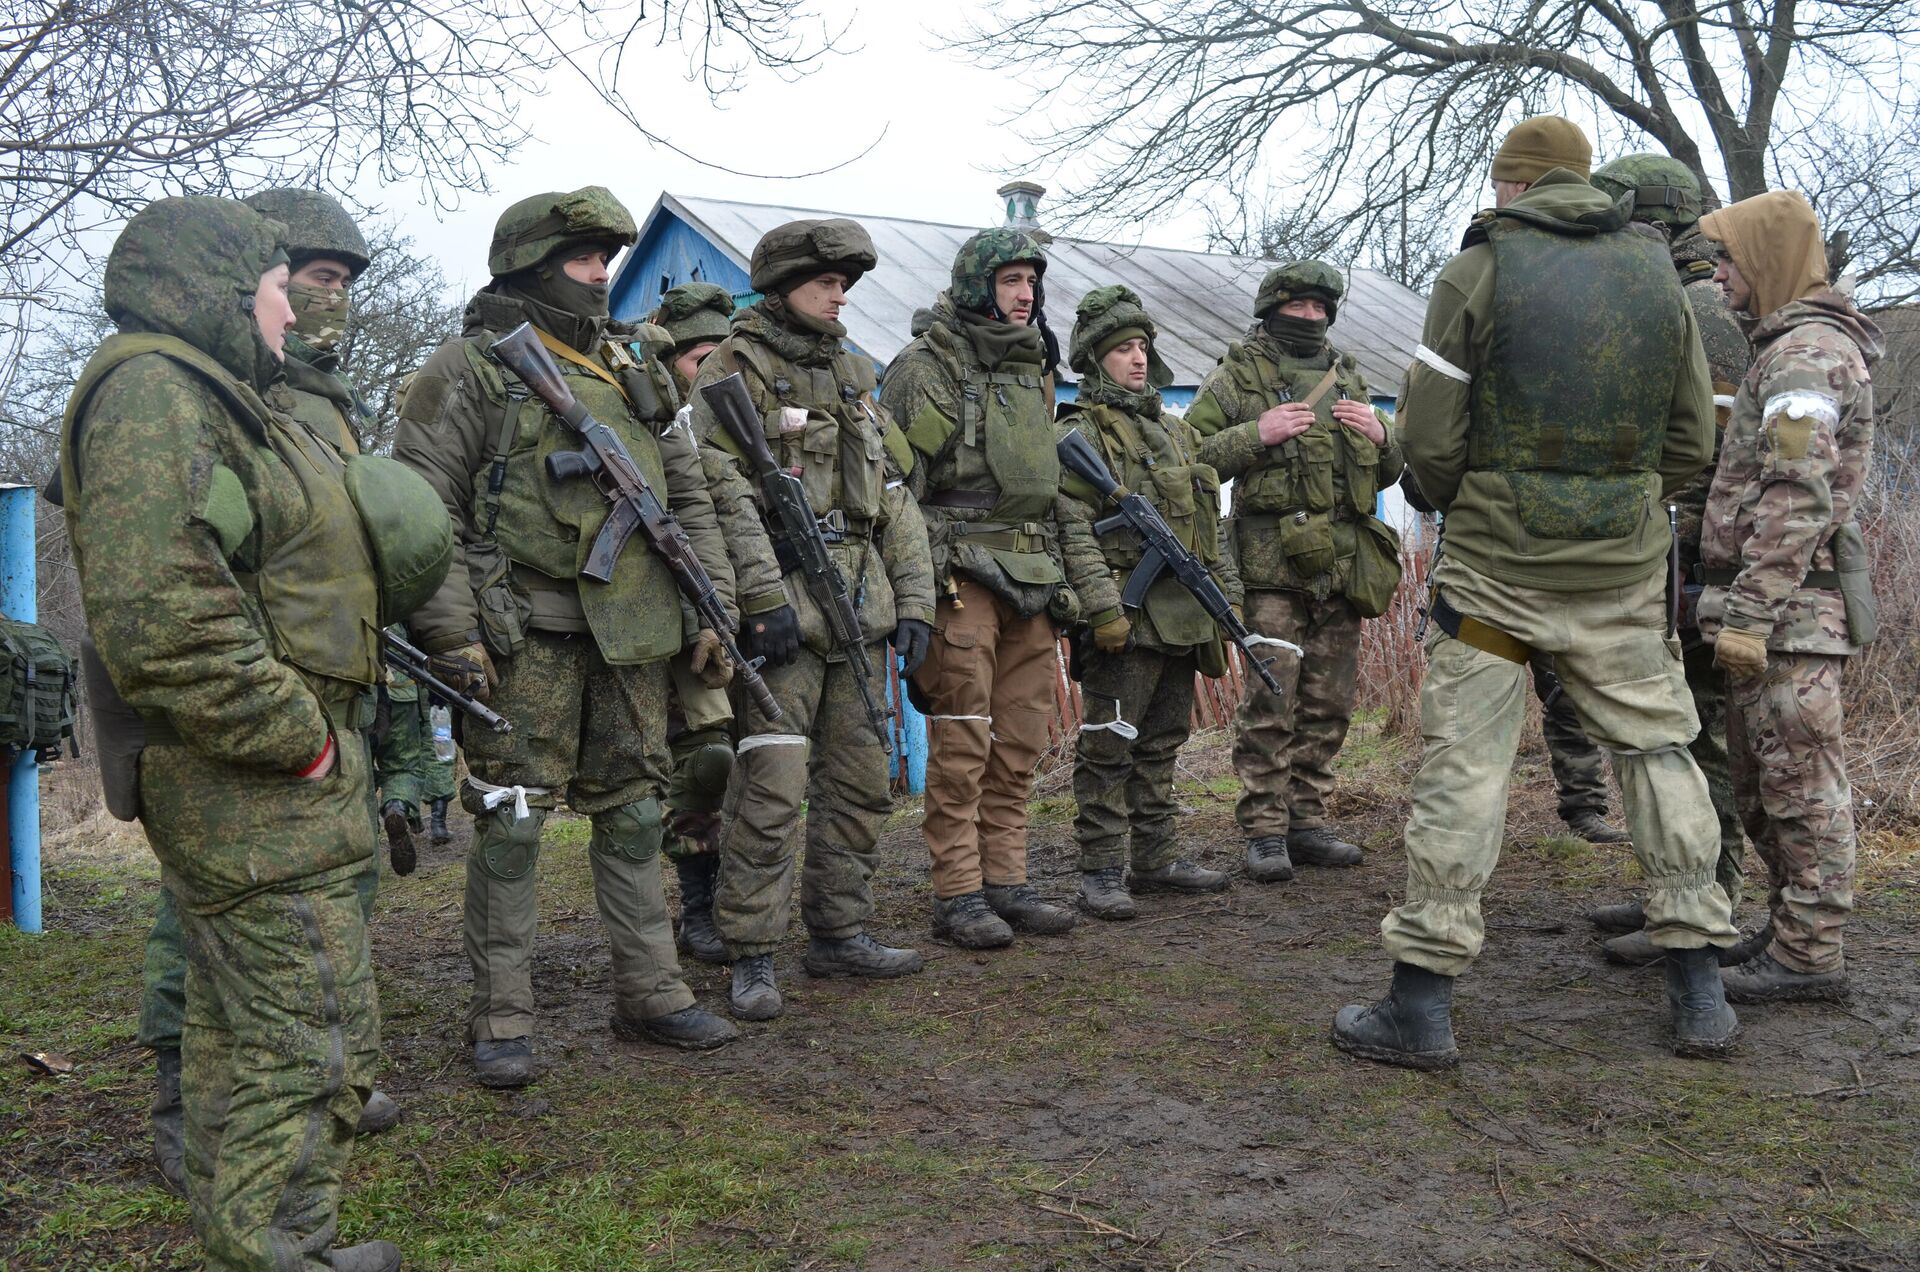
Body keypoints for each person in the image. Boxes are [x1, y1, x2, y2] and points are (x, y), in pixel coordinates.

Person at [1332, 117, 1741, 1069]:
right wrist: (1629, 505)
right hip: (1622, 574)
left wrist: (1462, 501)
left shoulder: (1480, 269)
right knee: (1659, 751)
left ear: (1511, 185)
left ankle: (1422, 1005)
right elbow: (1691, 439)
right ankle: (1700, 993)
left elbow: (1428, 440)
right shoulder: (1659, 278)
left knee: (1465, 770)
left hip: (1494, 578)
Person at [61, 195, 414, 1270]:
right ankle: (284, 1252)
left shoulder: (203, 393)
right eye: (274, 288)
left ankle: (253, 1241)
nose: (290, 313)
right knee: (311, 1036)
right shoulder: (156, 392)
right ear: (220, 289)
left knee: (235, 1031)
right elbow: (163, 614)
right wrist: (301, 738)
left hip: (250, 780)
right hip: (252, 784)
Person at [393, 187, 739, 1088]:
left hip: (631, 638)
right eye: (583, 260)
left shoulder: (630, 367)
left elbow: (686, 495)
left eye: (605, 261)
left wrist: (712, 609)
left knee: (632, 813)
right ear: (534, 266)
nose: (601, 276)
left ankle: (653, 992)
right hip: (522, 641)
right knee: (510, 823)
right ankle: (503, 1013)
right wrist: (452, 638)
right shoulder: (467, 369)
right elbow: (424, 514)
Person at [685, 219, 936, 1018]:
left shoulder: (857, 375)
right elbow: (717, 495)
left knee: (860, 786)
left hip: (859, 612)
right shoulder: (734, 368)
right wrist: (760, 600)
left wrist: (917, 601)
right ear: (785, 283)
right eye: (827, 282)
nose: (840, 296)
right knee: (768, 790)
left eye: (846, 285)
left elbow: (895, 497)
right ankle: (751, 952)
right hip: (784, 617)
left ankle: (839, 931)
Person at [881, 228, 1090, 948]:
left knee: (1020, 744)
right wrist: (913, 593)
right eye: (1010, 280)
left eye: (1032, 280)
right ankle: (959, 894)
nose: (1026, 293)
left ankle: (1007, 881)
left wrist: (1075, 584)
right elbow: (897, 492)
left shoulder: (1032, 369)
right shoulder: (924, 366)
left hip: (1032, 577)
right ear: (977, 285)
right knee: (964, 743)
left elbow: (1050, 491)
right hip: (959, 576)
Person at [1695, 190, 1879, 1003]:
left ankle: (1811, 954)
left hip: (1791, 615)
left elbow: (1795, 494)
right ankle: (1792, 928)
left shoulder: (1804, 355)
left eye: (1730, 258)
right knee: (1767, 782)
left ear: (1766, 259)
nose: (1720, 274)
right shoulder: (1783, 347)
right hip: (1780, 610)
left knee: (1802, 785)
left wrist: (1750, 613)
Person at [1583, 154, 1758, 964]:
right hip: (1678, 552)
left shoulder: (1701, 309)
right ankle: (1680, 884)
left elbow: (1709, 453)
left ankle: (1707, 900)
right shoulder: (1678, 296)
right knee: (1669, 728)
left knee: (1694, 733)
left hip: (1697, 558)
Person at [1186, 260, 1405, 883]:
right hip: (1270, 569)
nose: (1309, 317)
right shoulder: (1236, 374)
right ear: (1271, 307)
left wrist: (1384, 437)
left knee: (1329, 702)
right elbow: (1190, 457)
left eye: (1319, 308)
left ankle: (1308, 819)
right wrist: (1255, 433)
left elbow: (1384, 474)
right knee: (1271, 698)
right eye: (1298, 306)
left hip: (1342, 564)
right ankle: (1263, 829)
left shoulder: (1349, 375)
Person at [1057, 286, 1240, 918]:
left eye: (1142, 347)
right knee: (1110, 741)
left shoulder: (1178, 434)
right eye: (1122, 349)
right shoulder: (1081, 434)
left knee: (1163, 738)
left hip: (1184, 616)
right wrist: (1104, 608)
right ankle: (1102, 869)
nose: (1137, 359)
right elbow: (1073, 529)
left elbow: (1208, 531)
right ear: (1095, 359)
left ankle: (1156, 859)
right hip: (1127, 619)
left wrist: (1228, 604)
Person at [643, 280, 787, 965]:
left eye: (715, 360)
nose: (705, 375)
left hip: (736, 617)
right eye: (695, 359)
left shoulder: (729, 432)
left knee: (750, 761)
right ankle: (697, 905)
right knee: (702, 762)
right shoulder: (652, 427)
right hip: (667, 621)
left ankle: (736, 899)